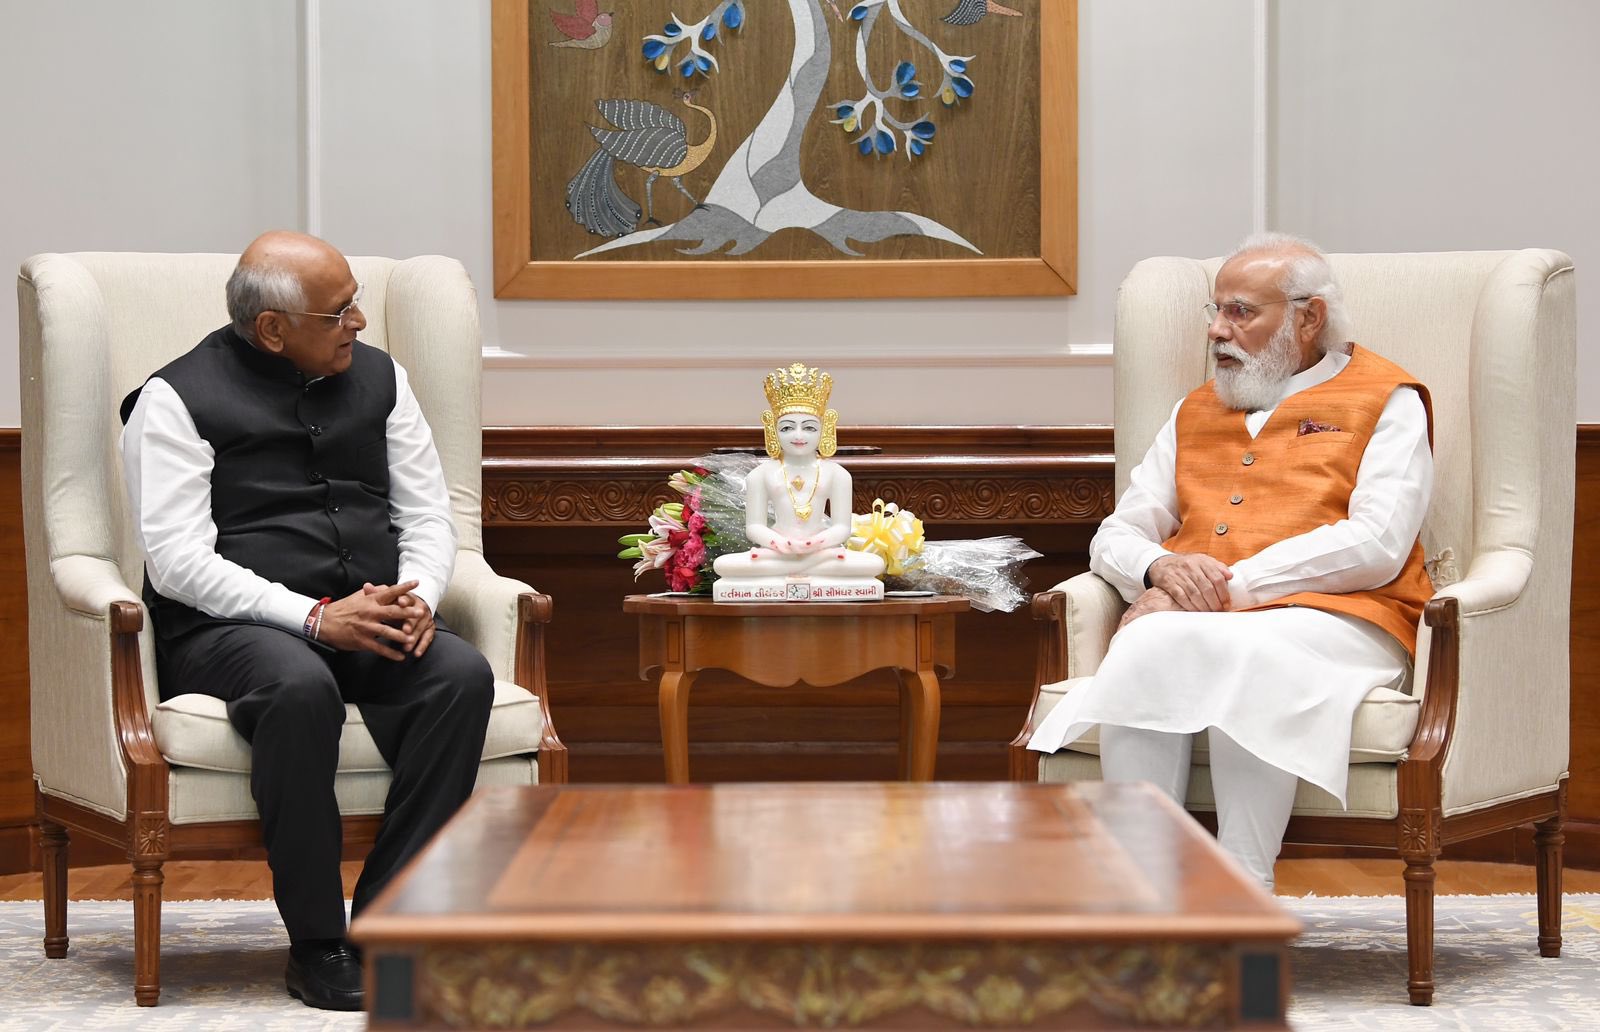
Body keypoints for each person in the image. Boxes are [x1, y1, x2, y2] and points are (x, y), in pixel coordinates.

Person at [119, 231, 494, 1011]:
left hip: (366, 609)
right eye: (339, 311)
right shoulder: (174, 399)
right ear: (272, 328)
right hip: (227, 629)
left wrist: (418, 595)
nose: (359, 321)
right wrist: (315, 619)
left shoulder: (383, 378)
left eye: (355, 302)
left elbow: (429, 512)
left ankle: (387, 926)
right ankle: (318, 942)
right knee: (298, 687)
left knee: (459, 676)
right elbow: (178, 564)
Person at [1028, 232, 1434, 890]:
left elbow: (1377, 543)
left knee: (1246, 647)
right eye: (1215, 311)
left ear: (1308, 318)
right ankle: (1146, 889)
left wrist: (1225, 589)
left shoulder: (1388, 399)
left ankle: (1245, 888)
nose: (1218, 329)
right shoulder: (1194, 409)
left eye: (1241, 311)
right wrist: (1159, 571)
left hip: (1350, 618)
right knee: (1148, 641)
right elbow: (1118, 533)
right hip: (1209, 621)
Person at [711, 363, 885, 584]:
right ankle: (806, 565)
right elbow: (754, 527)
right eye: (787, 428)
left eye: (809, 427)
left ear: (825, 429)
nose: (798, 435)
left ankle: (799, 565)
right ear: (773, 430)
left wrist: (817, 543)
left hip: (821, 550)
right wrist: (778, 543)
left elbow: (842, 527)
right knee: (723, 565)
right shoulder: (760, 475)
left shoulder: (838, 474)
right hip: (778, 551)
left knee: (874, 564)